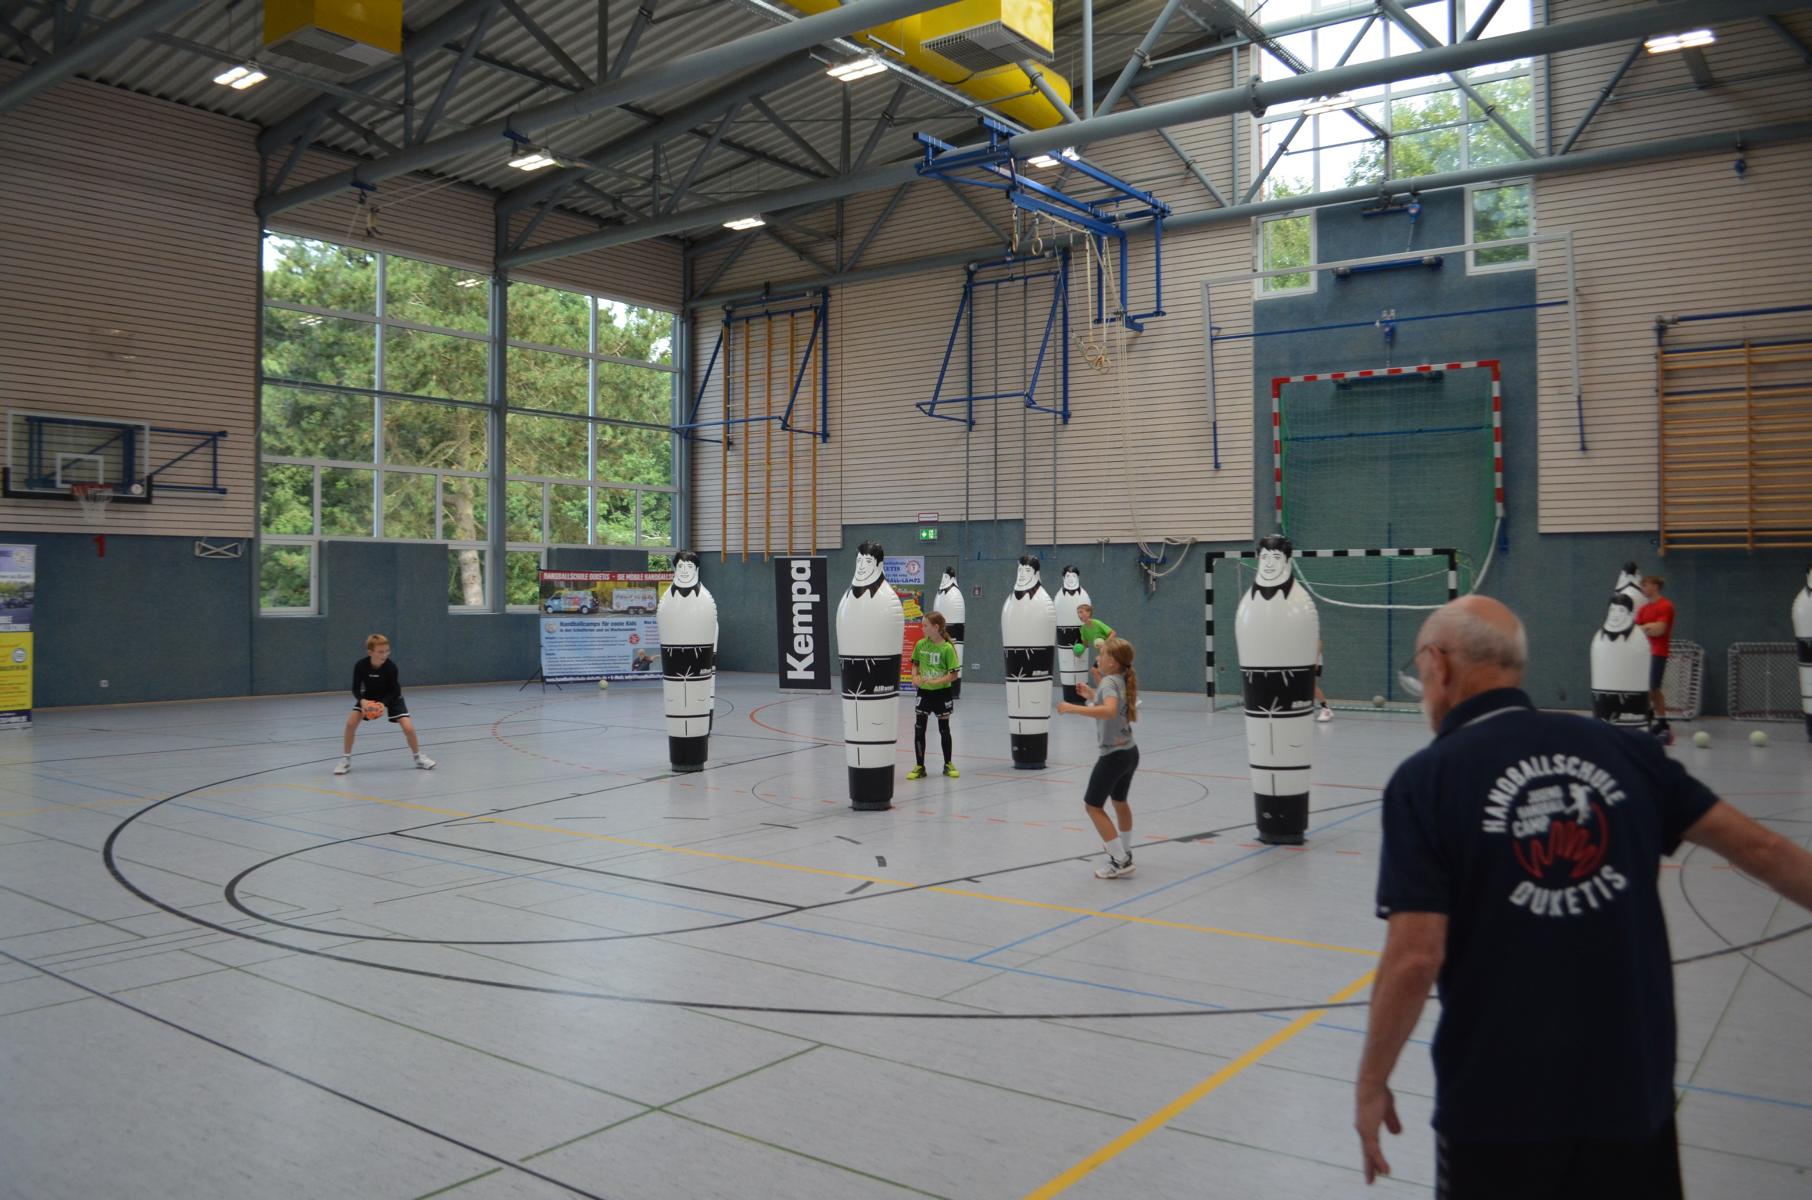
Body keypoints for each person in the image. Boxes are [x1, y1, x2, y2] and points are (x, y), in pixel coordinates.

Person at [1355, 596, 1812, 1198]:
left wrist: (1372, 1081)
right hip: (1630, 1095)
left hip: (1497, 1106)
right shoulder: (1624, 750)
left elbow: (1415, 957)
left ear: (1439, 665)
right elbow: (1763, 850)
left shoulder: (1426, 780)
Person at [1056, 635, 1141, 879]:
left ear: (1113, 662)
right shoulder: (1120, 679)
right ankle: (1125, 850)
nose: (1098, 658)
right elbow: (1114, 705)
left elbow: (1110, 711)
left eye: (1102, 654)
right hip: (1130, 751)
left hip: (1113, 756)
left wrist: (1072, 707)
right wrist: (1092, 695)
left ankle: (1120, 860)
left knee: (1093, 806)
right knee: (1120, 802)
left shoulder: (1109, 682)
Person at [337, 634, 435, 775]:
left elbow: (395, 690)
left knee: (408, 728)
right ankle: (345, 760)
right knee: (350, 723)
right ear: (370, 652)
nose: (385, 655)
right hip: (369, 696)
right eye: (380, 652)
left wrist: (383, 704)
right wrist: (362, 701)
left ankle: (418, 757)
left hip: (391, 696)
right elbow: (355, 688)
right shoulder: (361, 665)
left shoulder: (391, 667)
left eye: (387, 651)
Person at [906, 611, 960, 780]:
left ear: (936, 627)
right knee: (919, 729)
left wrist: (937, 682)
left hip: (942, 694)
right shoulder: (921, 644)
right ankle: (920, 766)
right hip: (924, 693)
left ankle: (948, 764)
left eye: (925, 625)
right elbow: (915, 664)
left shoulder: (947, 648)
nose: (922, 628)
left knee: (944, 729)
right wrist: (915, 677)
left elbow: (954, 675)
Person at [1636, 575, 1676, 744]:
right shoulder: (1643, 610)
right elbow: (1635, 631)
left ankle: (1661, 722)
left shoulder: (1665, 606)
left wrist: (1645, 627)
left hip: (1658, 652)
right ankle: (1653, 719)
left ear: (1655, 586)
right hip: (1643, 654)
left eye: (1645, 585)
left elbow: (1660, 630)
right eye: (1642, 585)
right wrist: (1648, 627)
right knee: (1645, 689)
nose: (1643, 588)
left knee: (1654, 687)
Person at [1073, 603, 1115, 681]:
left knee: (1110, 673)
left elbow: (1113, 633)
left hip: (1111, 651)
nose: (1079, 615)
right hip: (1102, 654)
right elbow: (1085, 644)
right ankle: (1103, 688)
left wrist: (1105, 644)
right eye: (1078, 612)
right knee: (1094, 671)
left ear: (1089, 613)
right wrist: (1079, 652)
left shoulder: (1097, 623)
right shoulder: (1083, 629)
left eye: (1081, 612)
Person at [1315, 639, 1333, 722]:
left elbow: (1319, 642)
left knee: (1312, 686)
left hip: (1314, 663)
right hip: (1305, 662)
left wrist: (1315, 660)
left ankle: (1326, 709)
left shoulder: (1312, 633)